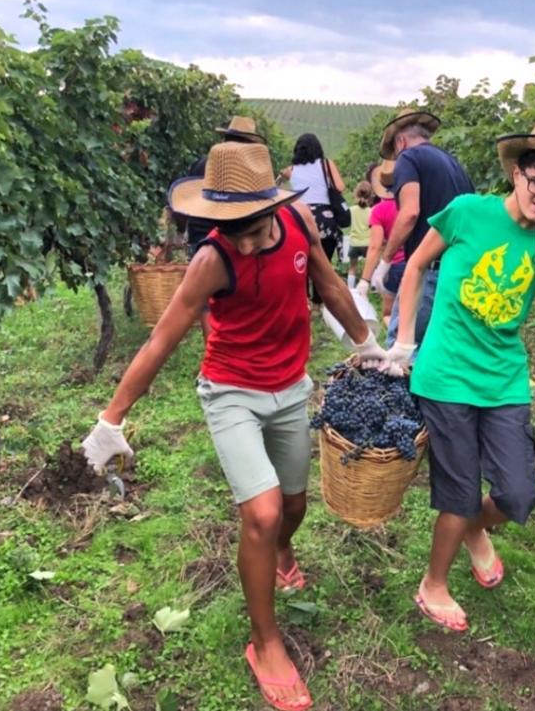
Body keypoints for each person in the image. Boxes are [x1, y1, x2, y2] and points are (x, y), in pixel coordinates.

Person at [81, 141, 391, 711]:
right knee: (263, 512)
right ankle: (265, 643)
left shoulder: (298, 225)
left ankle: (281, 553)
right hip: (232, 395)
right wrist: (112, 418)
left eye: (250, 225)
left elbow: (328, 284)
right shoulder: (211, 261)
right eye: (228, 226)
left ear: (273, 205)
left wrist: (371, 347)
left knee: (293, 509)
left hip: (291, 389)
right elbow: (163, 338)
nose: (243, 239)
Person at [386, 115, 535, 632]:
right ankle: (433, 584)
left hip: (504, 379)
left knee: (517, 493)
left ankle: (473, 531)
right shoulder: (466, 214)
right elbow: (416, 265)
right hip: (446, 374)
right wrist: (403, 341)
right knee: (458, 493)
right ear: (517, 173)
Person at [369, 109, 473, 347]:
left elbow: (409, 213)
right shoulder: (453, 164)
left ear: (400, 141)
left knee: (402, 349)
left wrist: (384, 263)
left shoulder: (409, 157)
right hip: (460, 271)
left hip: (429, 270)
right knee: (439, 348)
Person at [170, 115, 268, 338]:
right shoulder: (246, 169)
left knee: (207, 295)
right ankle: (225, 344)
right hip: (230, 234)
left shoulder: (202, 162)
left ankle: (212, 346)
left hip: (199, 234)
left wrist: (183, 228)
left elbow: (188, 198)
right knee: (234, 289)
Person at [279, 134, 346, 304]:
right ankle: (319, 299)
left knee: (301, 259)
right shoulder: (326, 164)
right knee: (323, 262)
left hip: (301, 217)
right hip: (325, 218)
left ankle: (303, 299)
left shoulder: (291, 170)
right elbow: (340, 187)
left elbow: (278, 181)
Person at [357, 161, 405, 327]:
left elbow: (375, 247)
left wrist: (365, 279)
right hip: (417, 264)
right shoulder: (412, 204)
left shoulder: (379, 210)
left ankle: (396, 342)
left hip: (393, 266)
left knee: (388, 313)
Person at [346, 180, 372, 288]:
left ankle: (351, 289)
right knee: (370, 266)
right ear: (370, 196)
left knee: (352, 267)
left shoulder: (351, 210)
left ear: (356, 194)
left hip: (354, 242)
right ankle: (371, 286)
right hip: (367, 243)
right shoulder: (371, 211)